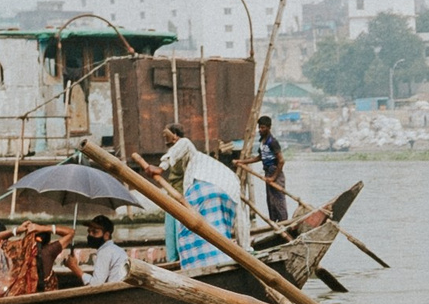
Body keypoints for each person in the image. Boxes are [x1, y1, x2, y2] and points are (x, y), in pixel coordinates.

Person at [134, 124, 240, 274]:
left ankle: (182, 265)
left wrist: (160, 168)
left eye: (168, 135)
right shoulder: (174, 152)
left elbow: (182, 146)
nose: (165, 138)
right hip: (172, 200)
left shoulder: (184, 146)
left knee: (182, 235)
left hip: (183, 200)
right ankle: (174, 265)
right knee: (171, 236)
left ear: (176, 135)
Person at [68, 214, 129, 286]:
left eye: (95, 232)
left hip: (115, 292)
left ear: (106, 235)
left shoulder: (105, 251)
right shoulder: (116, 249)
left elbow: (96, 284)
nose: (90, 235)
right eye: (89, 231)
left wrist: (74, 268)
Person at [255, 115, 287, 221]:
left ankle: (284, 223)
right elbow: (260, 157)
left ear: (269, 128)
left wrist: (273, 177)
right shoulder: (262, 141)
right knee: (271, 201)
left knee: (278, 200)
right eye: (259, 127)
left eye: (263, 127)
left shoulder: (272, 142)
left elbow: (281, 161)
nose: (260, 129)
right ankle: (274, 224)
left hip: (275, 172)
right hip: (268, 172)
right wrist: (241, 162)